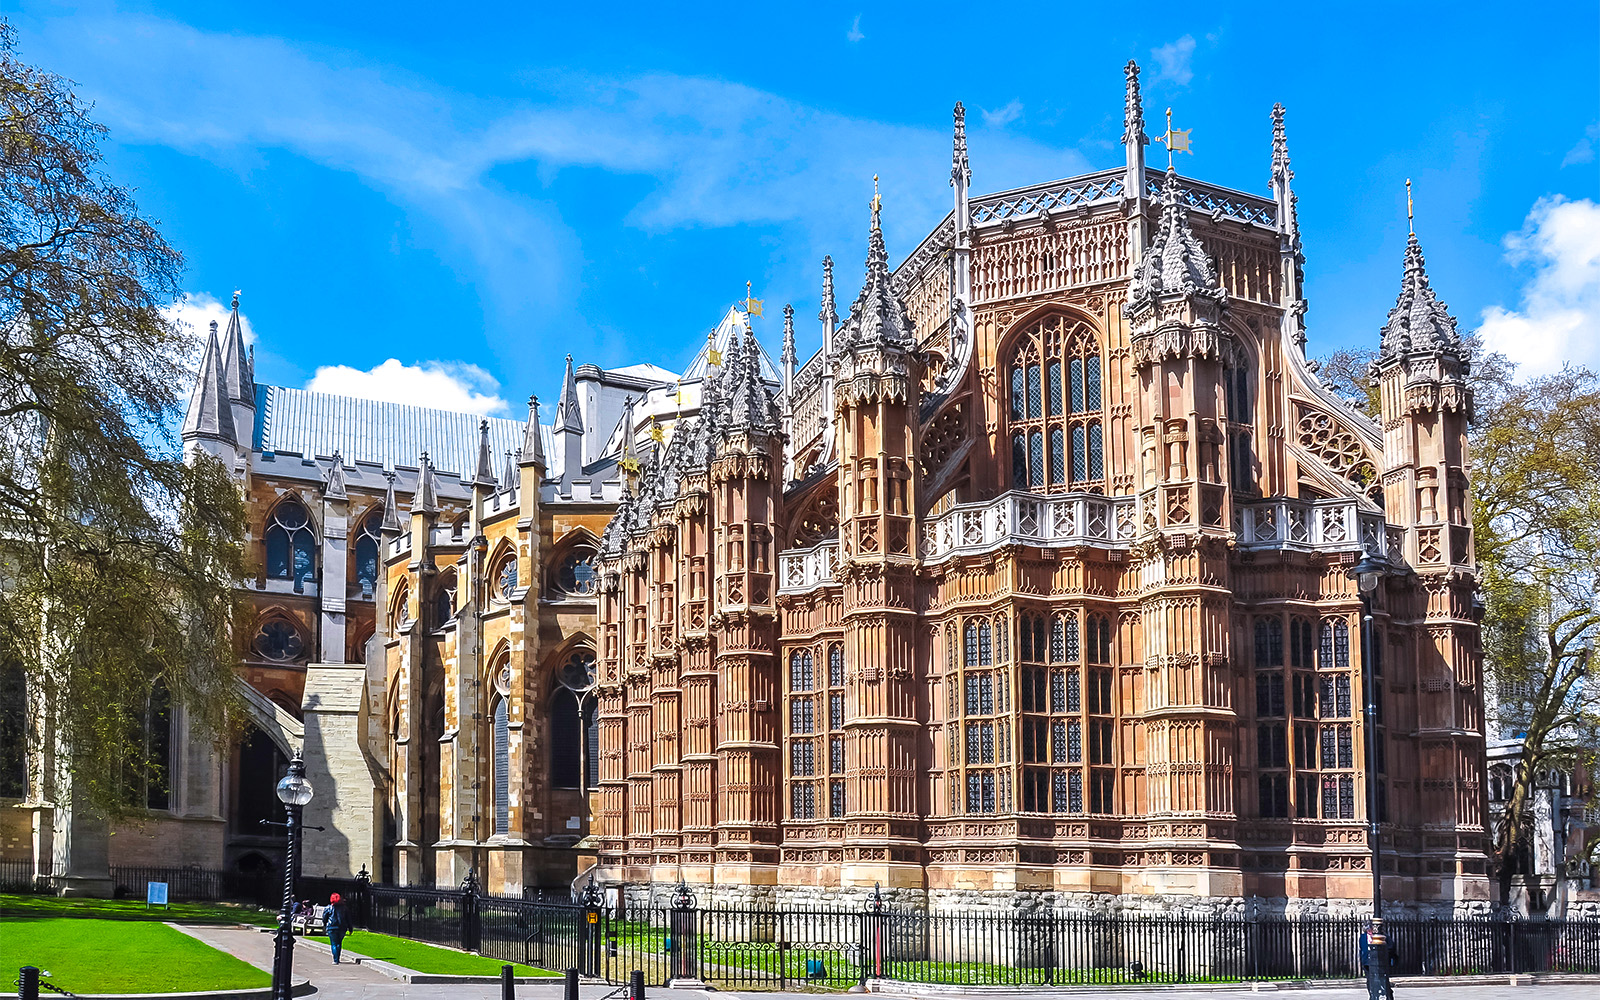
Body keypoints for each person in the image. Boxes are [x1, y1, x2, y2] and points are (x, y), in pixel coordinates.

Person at [325, 893, 348, 964]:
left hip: (331, 927)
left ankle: (335, 959)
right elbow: (348, 919)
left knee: (334, 943)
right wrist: (350, 928)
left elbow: (324, 918)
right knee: (339, 943)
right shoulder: (344, 908)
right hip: (342, 927)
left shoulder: (328, 908)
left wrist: (325, 925)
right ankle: (338, 957)